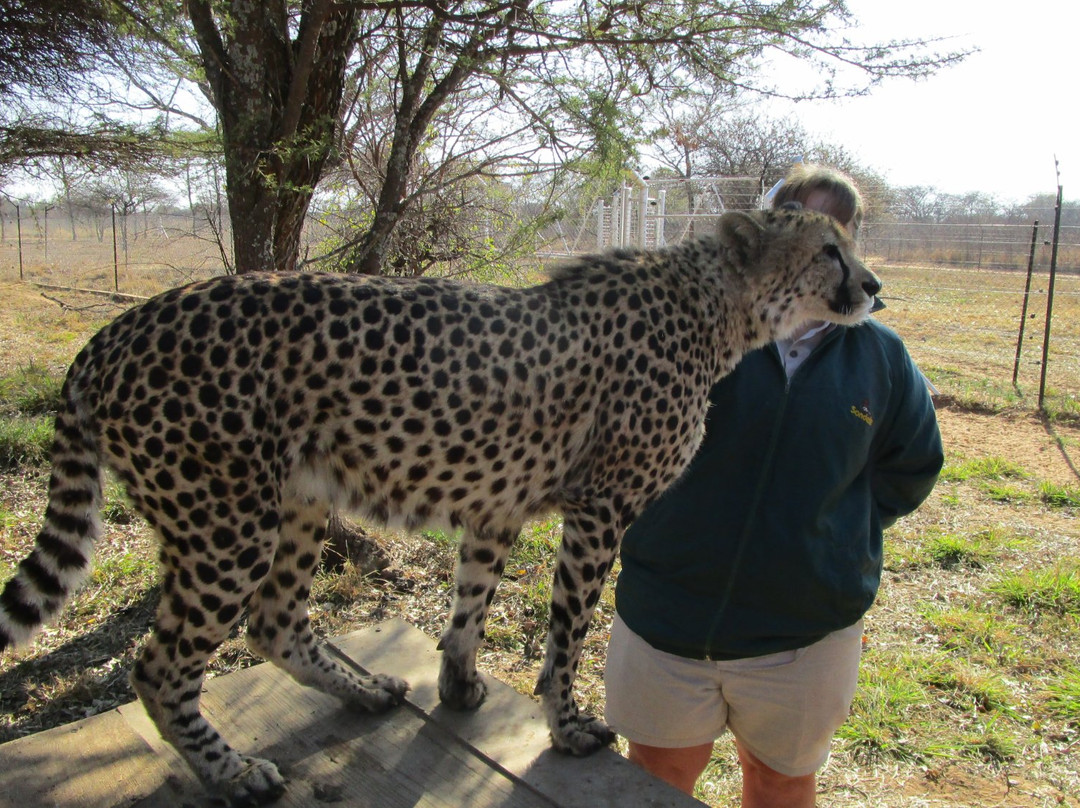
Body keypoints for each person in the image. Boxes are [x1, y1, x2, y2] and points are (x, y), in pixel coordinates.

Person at [604, 163, 944, 807]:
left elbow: (912, 468)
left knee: (780, 784)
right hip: (667, 619)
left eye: (834, 236)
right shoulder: (685, 325)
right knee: (656, 777)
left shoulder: (881, 357)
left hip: (803, 637)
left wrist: (831, 535)